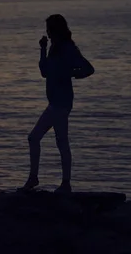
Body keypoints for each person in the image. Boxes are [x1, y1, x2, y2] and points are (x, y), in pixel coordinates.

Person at [21, 14, 94, 193]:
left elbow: (88, 69)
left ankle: (39, 179)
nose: (48, 33)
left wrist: (70, 73)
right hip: (55, 102)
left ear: (56, 29)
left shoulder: (68, 49)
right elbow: (44, 72)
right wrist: (42, 49)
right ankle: (61, 182)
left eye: (49, 30)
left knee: (37, 138)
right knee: (59, 141)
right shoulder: (53, 48)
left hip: (61, 102)